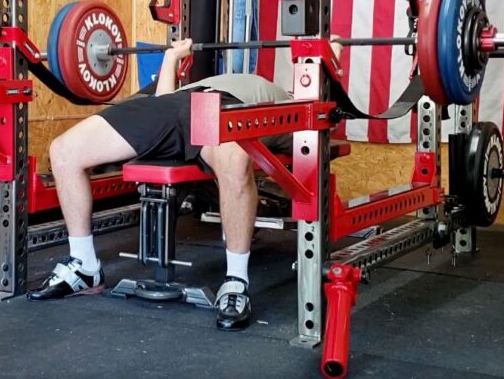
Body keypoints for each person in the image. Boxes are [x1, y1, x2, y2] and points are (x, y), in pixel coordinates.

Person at [29, 38, 342, 331]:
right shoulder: (190, 86)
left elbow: (318, 120)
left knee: (234, 160)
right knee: (64, 151)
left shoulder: (287, 105)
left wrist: (332, 52)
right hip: (171, 105)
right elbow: (164, 98)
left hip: (232, 108)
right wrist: (171, 58)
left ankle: (235, 281)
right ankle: (84, 265)